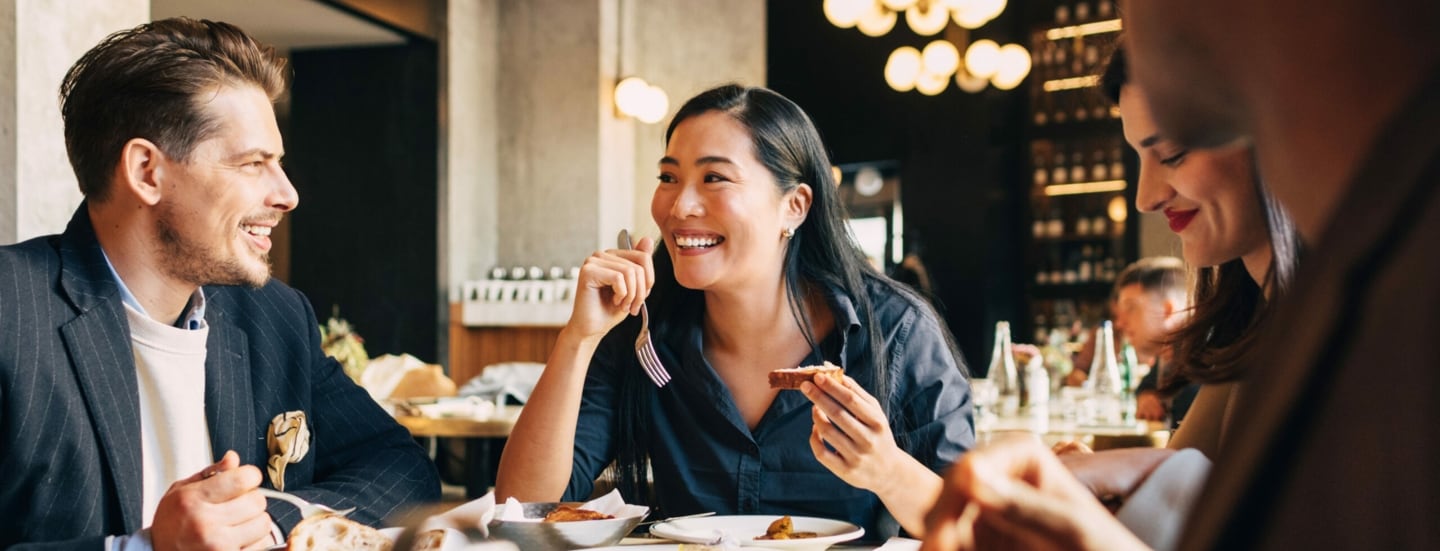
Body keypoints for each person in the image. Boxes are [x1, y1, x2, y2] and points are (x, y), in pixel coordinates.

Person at [925, 0, 1440, 546]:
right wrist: (1136, 477)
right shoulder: (1259, 324)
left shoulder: (1397, 315)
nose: (1146, 197)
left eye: (1171, 153)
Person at [0, 18, 439, 549]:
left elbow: (400, 467)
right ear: (146, 171)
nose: (287, 194)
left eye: (278, 162)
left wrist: (272, 520)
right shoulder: (11, 312)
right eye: (253, 163)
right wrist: (143, 547)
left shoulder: (275, 317)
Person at [496, 84, 974, 538]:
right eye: (668, 177)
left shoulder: (896, 331)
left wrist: (887, 471)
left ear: (794, 206)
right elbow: (524, 506)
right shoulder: (644, 329)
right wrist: (579, 338)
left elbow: (970, 529)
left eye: (714, 178)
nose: (679, 205)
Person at [1107, 257, 1197, 427]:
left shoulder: (1203, 364)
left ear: (1167, 310)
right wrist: (1146, 395)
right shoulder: (1169, 354)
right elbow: (1147, 383)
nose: (1120, 323)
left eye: (1131, 307)